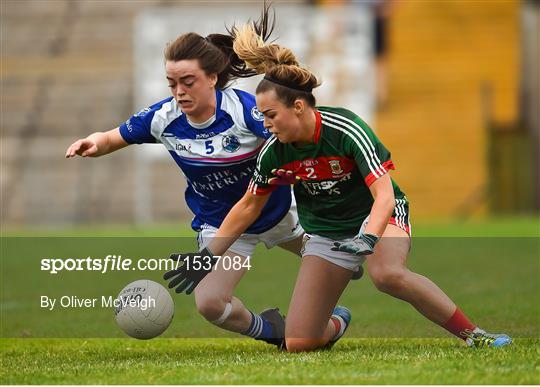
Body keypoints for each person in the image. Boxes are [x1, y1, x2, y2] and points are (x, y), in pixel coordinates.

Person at [165, 11, 513, 352]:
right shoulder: (275, 151)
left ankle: (476, 335)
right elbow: (248, 206)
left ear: (298, 107)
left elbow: (384, 196)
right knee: (299, 343)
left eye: (270, 115)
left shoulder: (345, 129)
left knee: (386, 274)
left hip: (377, 219)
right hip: (327, 232)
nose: (265, 124)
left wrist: (369, 237)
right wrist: (208, 256)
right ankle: (336, 323)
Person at [65, 12, 303, 346]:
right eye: (172, 84)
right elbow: (113, 136)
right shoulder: (164, 118)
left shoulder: (245, 111)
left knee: (350, 263)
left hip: (279, 213)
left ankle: (332, 307)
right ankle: (273, 331)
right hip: (221, 227)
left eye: (187, 82)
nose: (179, 92)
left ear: (213, 78)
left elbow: (292, 140)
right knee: (209, 303)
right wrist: (94, 143)